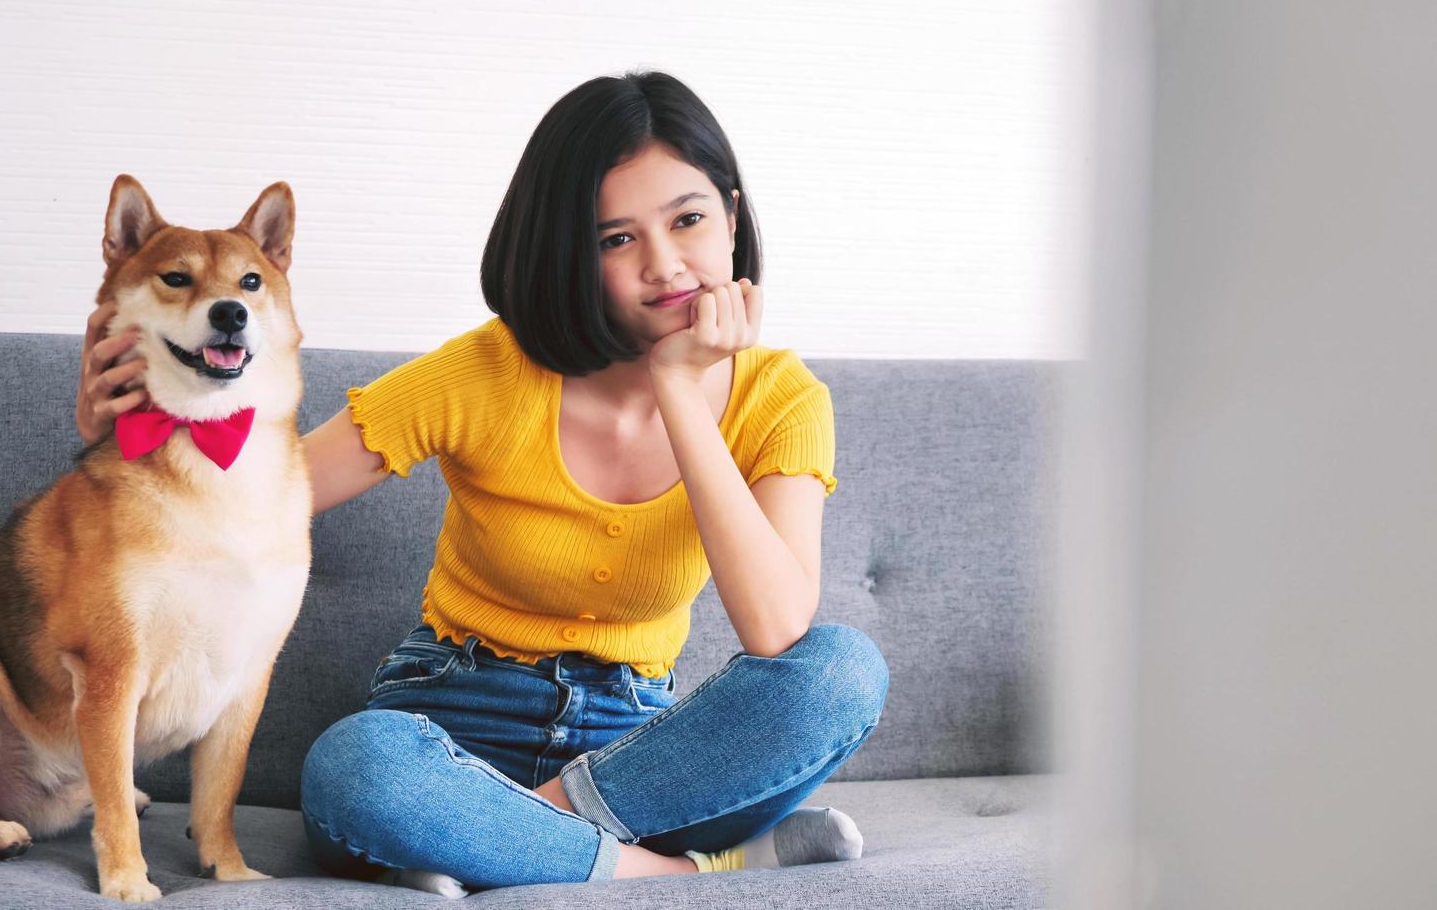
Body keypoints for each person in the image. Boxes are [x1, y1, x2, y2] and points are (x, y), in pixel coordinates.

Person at [75, 70, 888, 893]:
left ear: (732, 216)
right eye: (616, 239)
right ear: (570, 251)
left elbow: (778, 629)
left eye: (689, 220)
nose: (666, 265)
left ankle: (503, 841)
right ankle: (673, 873)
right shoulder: (484, 371)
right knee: (357, 766)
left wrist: (679, 390)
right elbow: (269, 493)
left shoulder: (784, 399)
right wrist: (129, 433)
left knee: (841, 672)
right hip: (454, 719)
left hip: (645, 754)